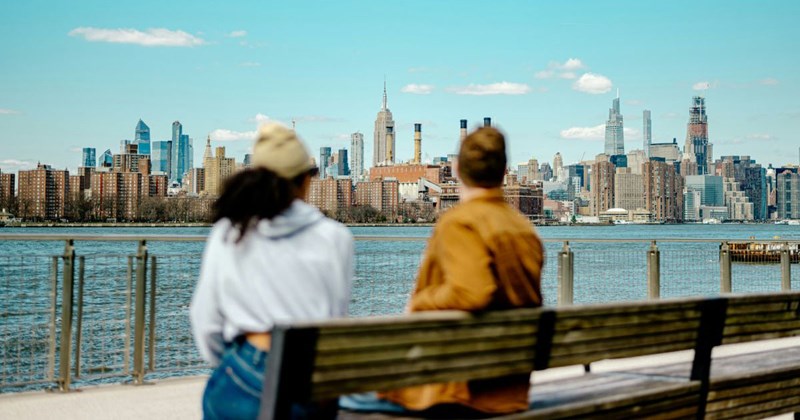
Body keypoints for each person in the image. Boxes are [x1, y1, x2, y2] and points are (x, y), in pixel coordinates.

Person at [341, 126, 544, 417]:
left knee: (346, 401)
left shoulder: (461, 223)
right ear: (503, 172)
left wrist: (419, 302)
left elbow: (472, 292)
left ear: (457, 168)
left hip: (461, 393)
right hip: (510, 390)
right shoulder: (524, 229)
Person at [190, 123, 354, 419]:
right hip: (308, 378)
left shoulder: (230, 231)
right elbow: (334, 318)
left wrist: (230, 362)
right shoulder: (335, 237)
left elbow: (206, 321)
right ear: (305, 179)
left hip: (246, 369)